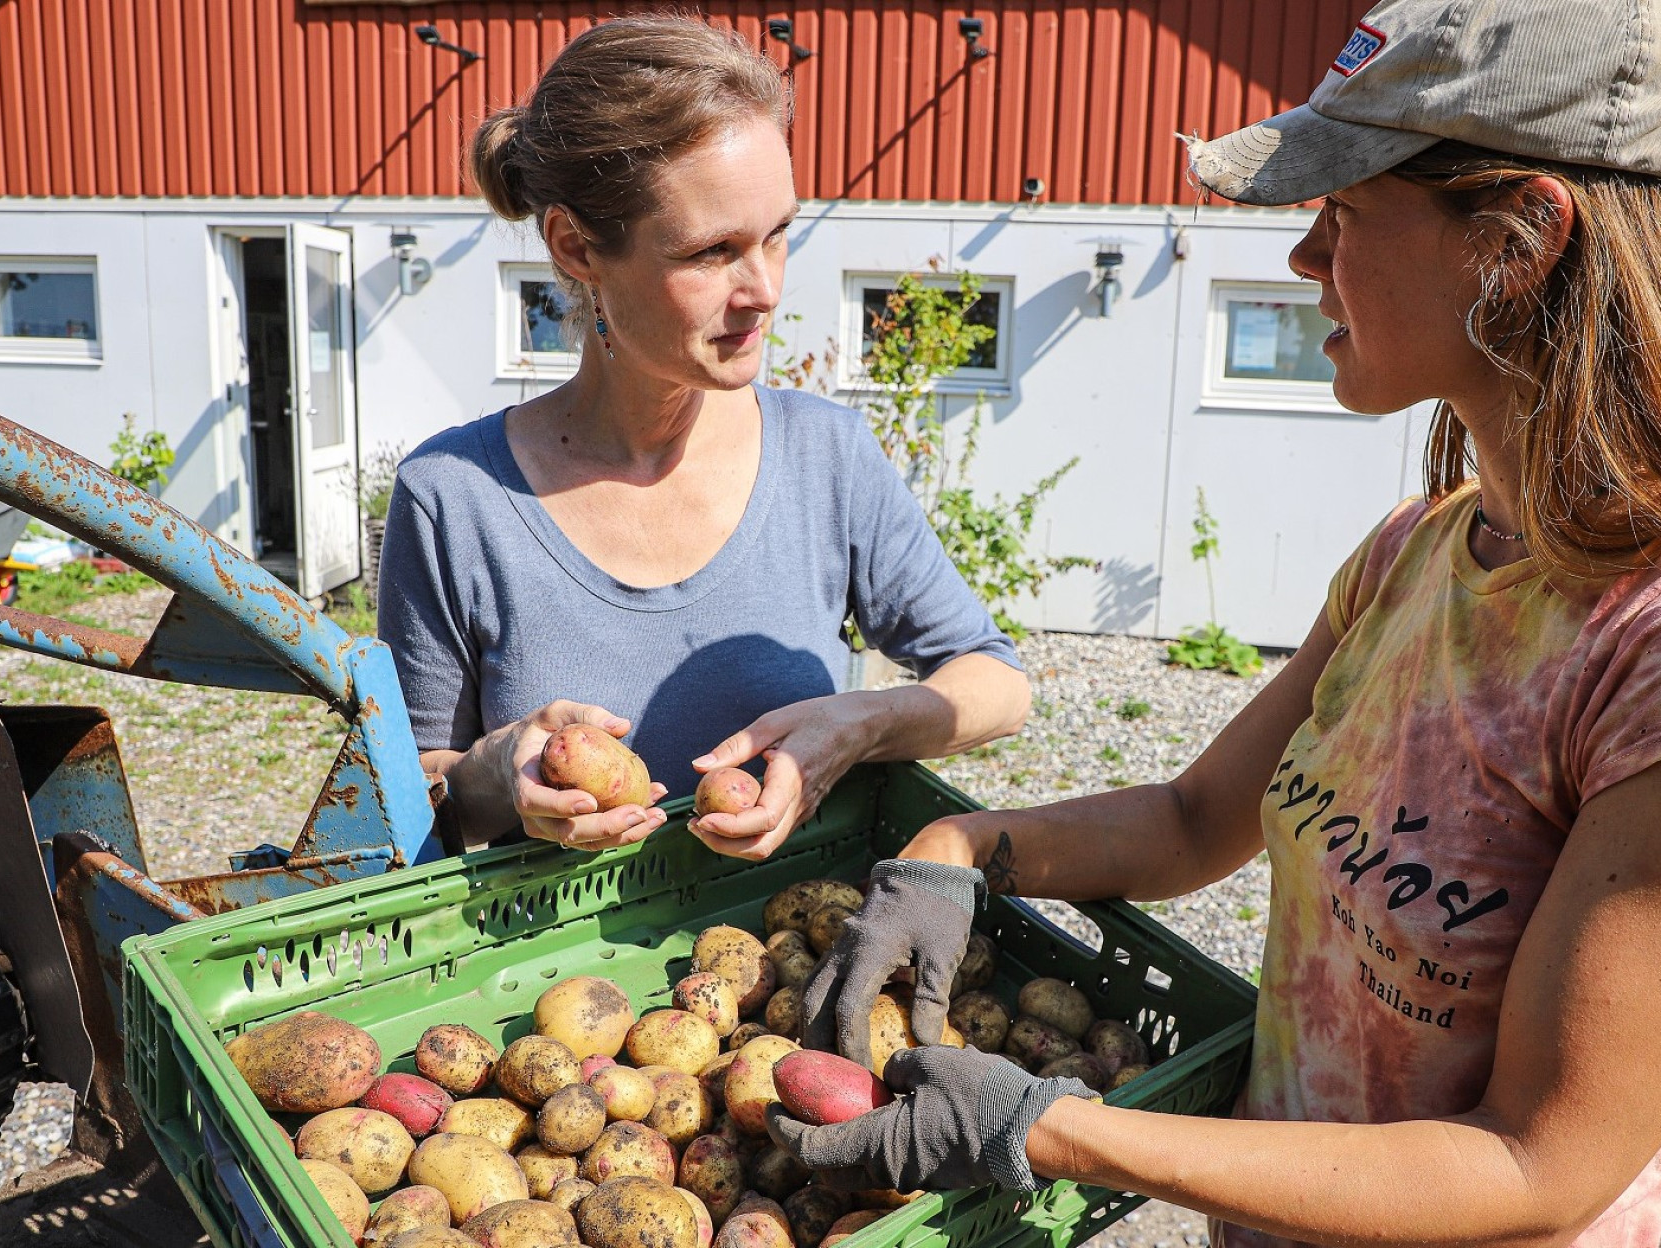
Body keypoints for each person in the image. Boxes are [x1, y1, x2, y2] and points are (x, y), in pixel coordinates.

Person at [774, 1, 1661, 1243]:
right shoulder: (1416, 550)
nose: (1304, 259)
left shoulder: (1639, 655)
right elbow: (1198, 821)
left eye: (1344, 212)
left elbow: (1539, 1166)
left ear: (1515, 241)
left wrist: (1048, 1127)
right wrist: (963, 848)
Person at [377, 16, 1029, 855]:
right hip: (550, 976)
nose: (763, 289)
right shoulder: (455, 499)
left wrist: (860, 723)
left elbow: (999, 683)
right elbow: (404, 805)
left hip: (796, 948)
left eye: (778, 234)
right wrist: (500, 772)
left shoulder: (825, 457)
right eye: (713, 251)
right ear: (578, 248)